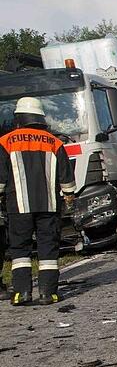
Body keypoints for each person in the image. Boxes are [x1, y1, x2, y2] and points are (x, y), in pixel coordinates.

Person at [0, 97, 76, 305]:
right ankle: (47, 293)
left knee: (20, 249)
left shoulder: (6, 141)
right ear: (41, 118)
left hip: (18, 205)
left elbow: (1, 176)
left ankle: (21, 293)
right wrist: (69, 196)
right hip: (49, 205)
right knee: (48, 247)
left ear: (19, 118)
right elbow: (66, 177)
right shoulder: (55, 142)